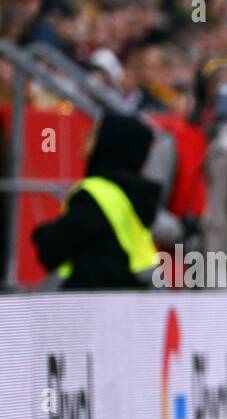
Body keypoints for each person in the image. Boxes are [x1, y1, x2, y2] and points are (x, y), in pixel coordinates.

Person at [32, 112, 160, 290]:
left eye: (93, 133)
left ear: (108, 144)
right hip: (128, 293)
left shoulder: (95, 193)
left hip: (93, 297)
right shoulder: (131, 194)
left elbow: (53, 245)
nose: (84, 136)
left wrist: (40, 233)